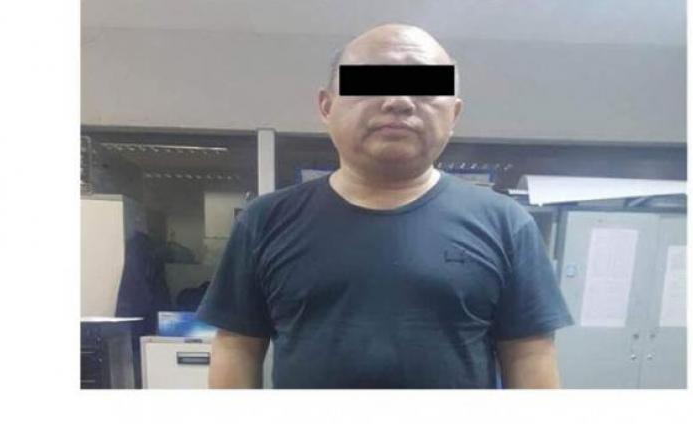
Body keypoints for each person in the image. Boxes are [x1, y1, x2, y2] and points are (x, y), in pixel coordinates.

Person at [196, 23, 573, 389]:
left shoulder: (506, 225)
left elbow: (530, 355)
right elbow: (237, 346)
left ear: (453, 115)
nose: (399, 101)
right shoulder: (265, 221)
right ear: (326, 106)